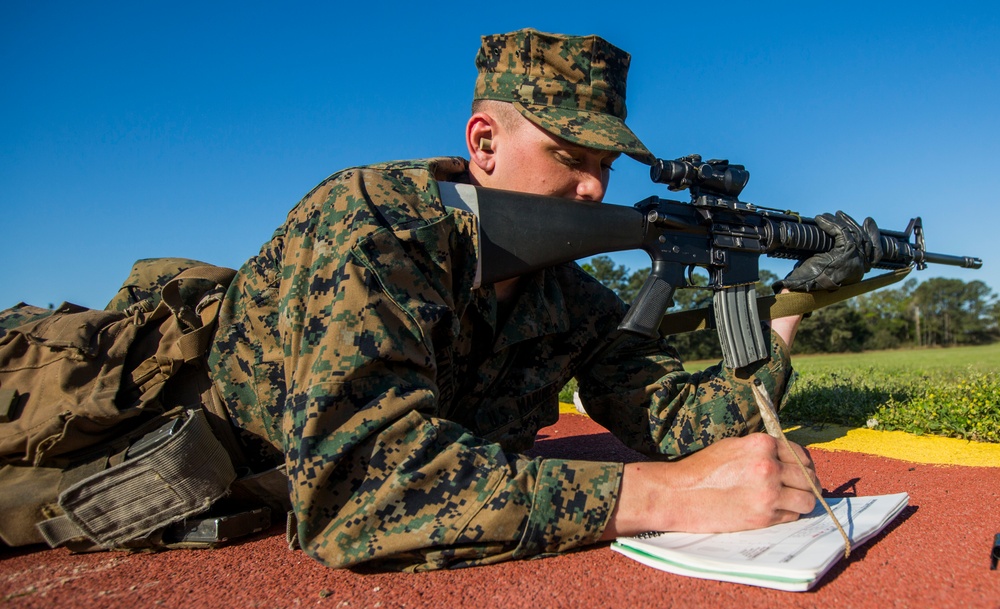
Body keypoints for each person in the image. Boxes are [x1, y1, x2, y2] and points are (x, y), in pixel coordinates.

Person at [206, 28, 881, 572]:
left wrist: (791, 304)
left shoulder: (569, 296)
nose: (593, 189)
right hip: (195, 452)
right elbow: (358, 492)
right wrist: (670, 494)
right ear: (484, 142)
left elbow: (692, 426)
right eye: (569, 156)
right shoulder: (375, 225)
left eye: (604, 167)